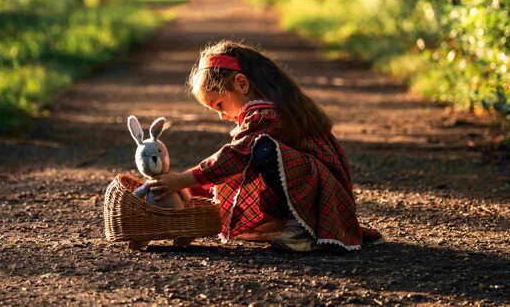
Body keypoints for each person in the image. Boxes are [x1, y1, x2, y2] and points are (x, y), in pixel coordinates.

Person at [149, 40, 384, 252]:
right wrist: (189, 190)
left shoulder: (266, 114)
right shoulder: (272, 109)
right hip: (311, 183)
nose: (222, 116)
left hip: (319, 188)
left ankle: (302, 227)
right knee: (253, 157)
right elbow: (233, 166)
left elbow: (236, 156)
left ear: (241, 84)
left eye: (219, 104)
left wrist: (185, 180)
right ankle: (285, 220)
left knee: (261, 150)